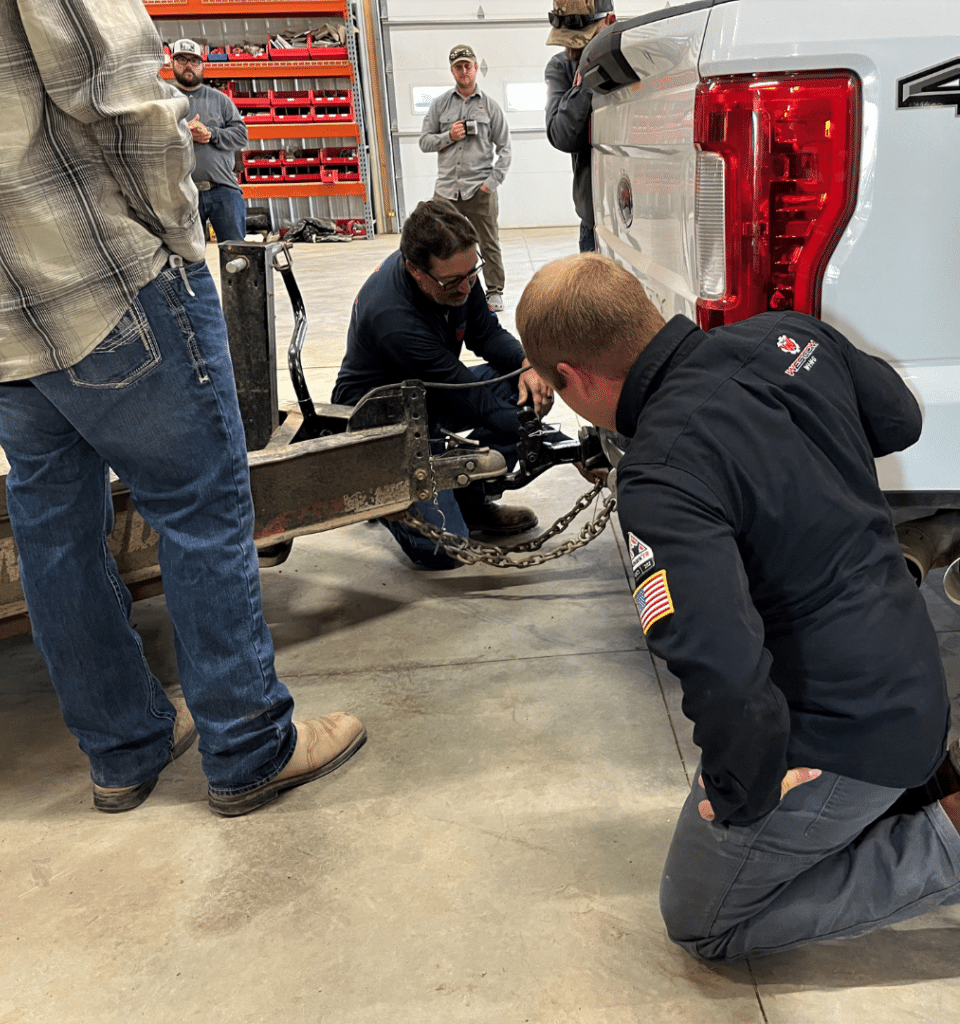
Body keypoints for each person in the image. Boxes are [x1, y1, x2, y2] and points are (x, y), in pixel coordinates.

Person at [0, 0, 364, 817]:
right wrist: (174, 237)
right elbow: (121, 91)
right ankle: (247, 745)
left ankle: (123, 746)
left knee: (54, 528)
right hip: (96, 277)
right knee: (199, 506)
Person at [515, 252, 960, 961]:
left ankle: (947, 842)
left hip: (853, 733)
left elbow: (723, 669)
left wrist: (742, 792)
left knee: (702, 919)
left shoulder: (662, 474)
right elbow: (899, 420)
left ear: (572, 379)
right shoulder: (790, 336)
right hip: (911, 675)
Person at [332, 200, 555, 570]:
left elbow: (486, 336)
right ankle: (385, 496)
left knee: (520, 389)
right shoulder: (393, 317)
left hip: (429, 394)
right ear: (415, 271)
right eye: (454, 282)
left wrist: (527, 363)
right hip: (382, 419)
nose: (467, 286)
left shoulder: (456, 269)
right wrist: (547, 440)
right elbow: (471, 400)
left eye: (473, 273)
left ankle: (470, 502)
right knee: (444, 551)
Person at [419, 45, 511, 313]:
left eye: (467, 66)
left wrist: (490, 183)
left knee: (489, 243)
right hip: (447, 191)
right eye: (458, 66)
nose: (463, 71)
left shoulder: (490, 106)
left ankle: (494, 292)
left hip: (479, 190)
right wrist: (449, 136)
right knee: (436, 242)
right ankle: (441, 288)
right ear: (452, 71)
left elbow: (505, 148)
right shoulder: (440, 105)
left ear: (475, 68)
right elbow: (424, 141)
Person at [544, 0, 617, 252]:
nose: (574, 52)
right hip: (593, 220)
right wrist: (584, 85)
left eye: (582, 42)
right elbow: (562, 136)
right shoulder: (561, 67)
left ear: (611, 22)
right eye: (567, 42)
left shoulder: (635, 56)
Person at [170, 38, 249, 245]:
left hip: (223, 190)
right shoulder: (163, 100)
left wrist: (211, 133)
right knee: (184, 260)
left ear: (202, 66)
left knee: (237, 254)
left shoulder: (220, 99)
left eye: (194, 61)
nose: (188, 65)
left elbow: (241, 135)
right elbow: (148, 139)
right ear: (172, 63)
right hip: (180, 193)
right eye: (182, 60)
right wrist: (182, 133)